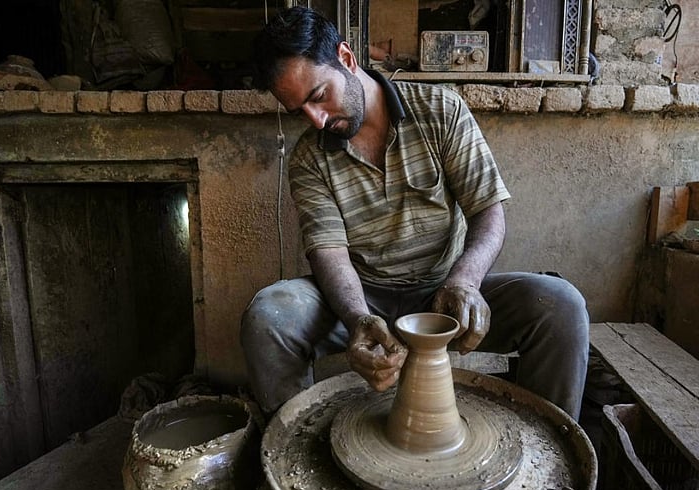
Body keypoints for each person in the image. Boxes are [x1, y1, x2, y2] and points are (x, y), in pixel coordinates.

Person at [240, 6, 590, 421]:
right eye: (300, 110)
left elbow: (488, 213)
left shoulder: (441, 110)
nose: (316, 120)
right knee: (268, 317)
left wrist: (465, 282)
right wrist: (358, 319)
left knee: (561, 306)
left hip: (443, 293)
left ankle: (546, 451)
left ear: (347, 59)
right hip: (360, 297)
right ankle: (296, 455)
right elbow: (328, 252)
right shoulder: (308, 158)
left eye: (318, 96)